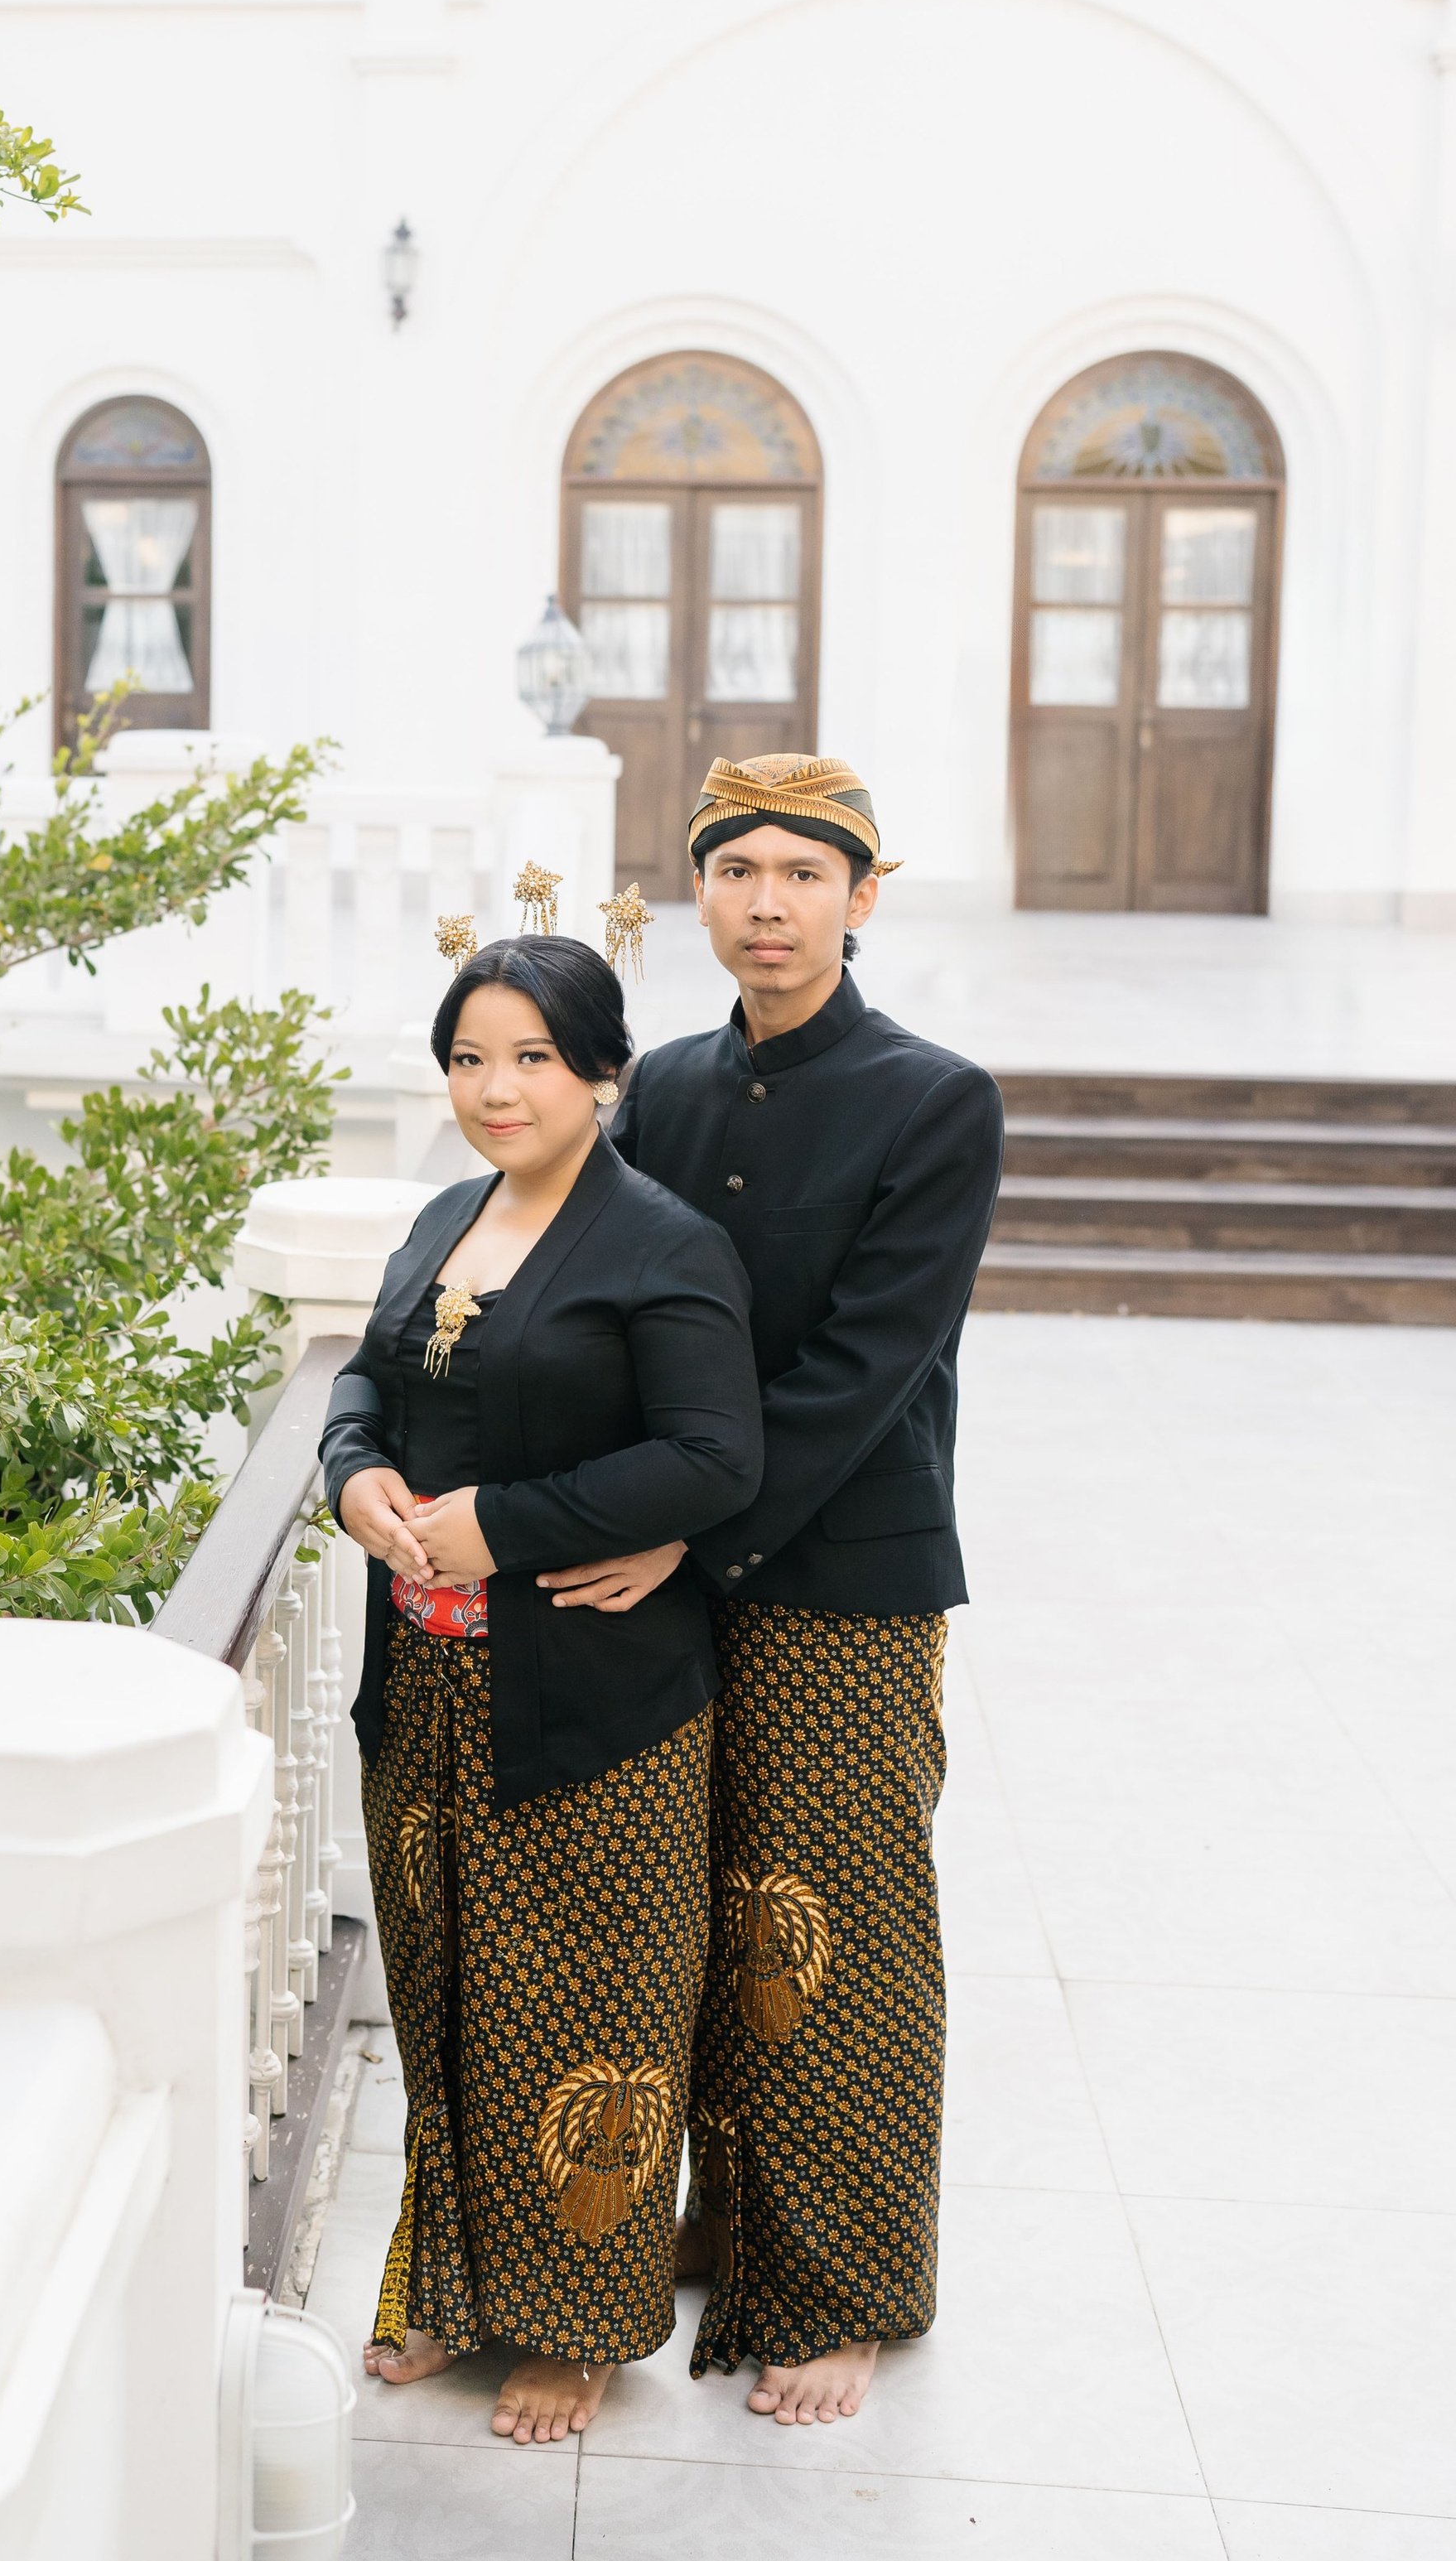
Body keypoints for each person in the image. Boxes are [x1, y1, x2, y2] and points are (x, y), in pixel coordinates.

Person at [538, 752, 1003, 2429]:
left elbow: (860, 1368)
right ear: (699, 897)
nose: (766, 902)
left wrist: (678, 1528)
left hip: (838, 1574)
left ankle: (847, 2282)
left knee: (828, 1927)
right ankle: (720, 2217)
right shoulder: (654, 1087)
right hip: (662, 1564)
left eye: (803, 874)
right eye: (736, 870)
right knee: (678, 1906)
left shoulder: (932, 1099)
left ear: (860, 900)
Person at [321, 933, 762, 2447]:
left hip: (594, 1701)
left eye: (529, 1056)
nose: (494, 1088)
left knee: (584, 2006)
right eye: (467, 1057)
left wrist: (503, 1522)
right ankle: (445, 2284)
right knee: (444, 2001)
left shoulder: (659, 1240)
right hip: (426, 1690)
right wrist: (355, 1473)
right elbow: (367, 1377)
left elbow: (714, 1457)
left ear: (602, 1071)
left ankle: (579, 2324)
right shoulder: (446, 1215)